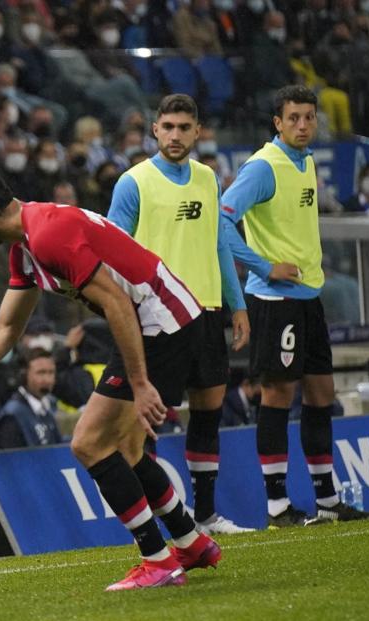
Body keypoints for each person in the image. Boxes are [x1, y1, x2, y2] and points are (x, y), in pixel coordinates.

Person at [0, 163, 220, 591]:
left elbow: (119, 305)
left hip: (162, 325)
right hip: (163, 322)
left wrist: (141, 385)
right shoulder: (28, 244)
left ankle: (157, 560)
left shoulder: (49, 235)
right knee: (125, 446)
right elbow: (5, 330)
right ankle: (190, 541)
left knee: (89, 443)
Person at [218, 84, 369, 525]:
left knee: (322, 393)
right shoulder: (264, 167)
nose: (304, 125)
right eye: (295, 118)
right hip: (275, 300)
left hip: (308, 298)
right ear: (278, 123)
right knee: (278, 394)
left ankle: (326, 503)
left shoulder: (304, 163)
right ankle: (278, 505)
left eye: (310, 117)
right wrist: (264, 267)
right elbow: (223, 225)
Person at [107, 94, 253, 535]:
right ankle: (159, 520)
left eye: (183, 127)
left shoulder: (209, 179)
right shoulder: (134, 183)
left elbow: (218, 243)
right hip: (159, 318)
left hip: (207, 311)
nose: (174, 135)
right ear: (154, 129)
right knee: (146, 420)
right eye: (167, 126)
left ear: (197, 131)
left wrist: (238, 303)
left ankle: (206, 516)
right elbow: (112, 255)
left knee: (208, 411)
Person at [0, 348, 63, 449]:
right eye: (41, 373)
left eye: (51, 373)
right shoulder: (12, 416)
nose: (47, 379)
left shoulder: (49, 408)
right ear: (24, 375)